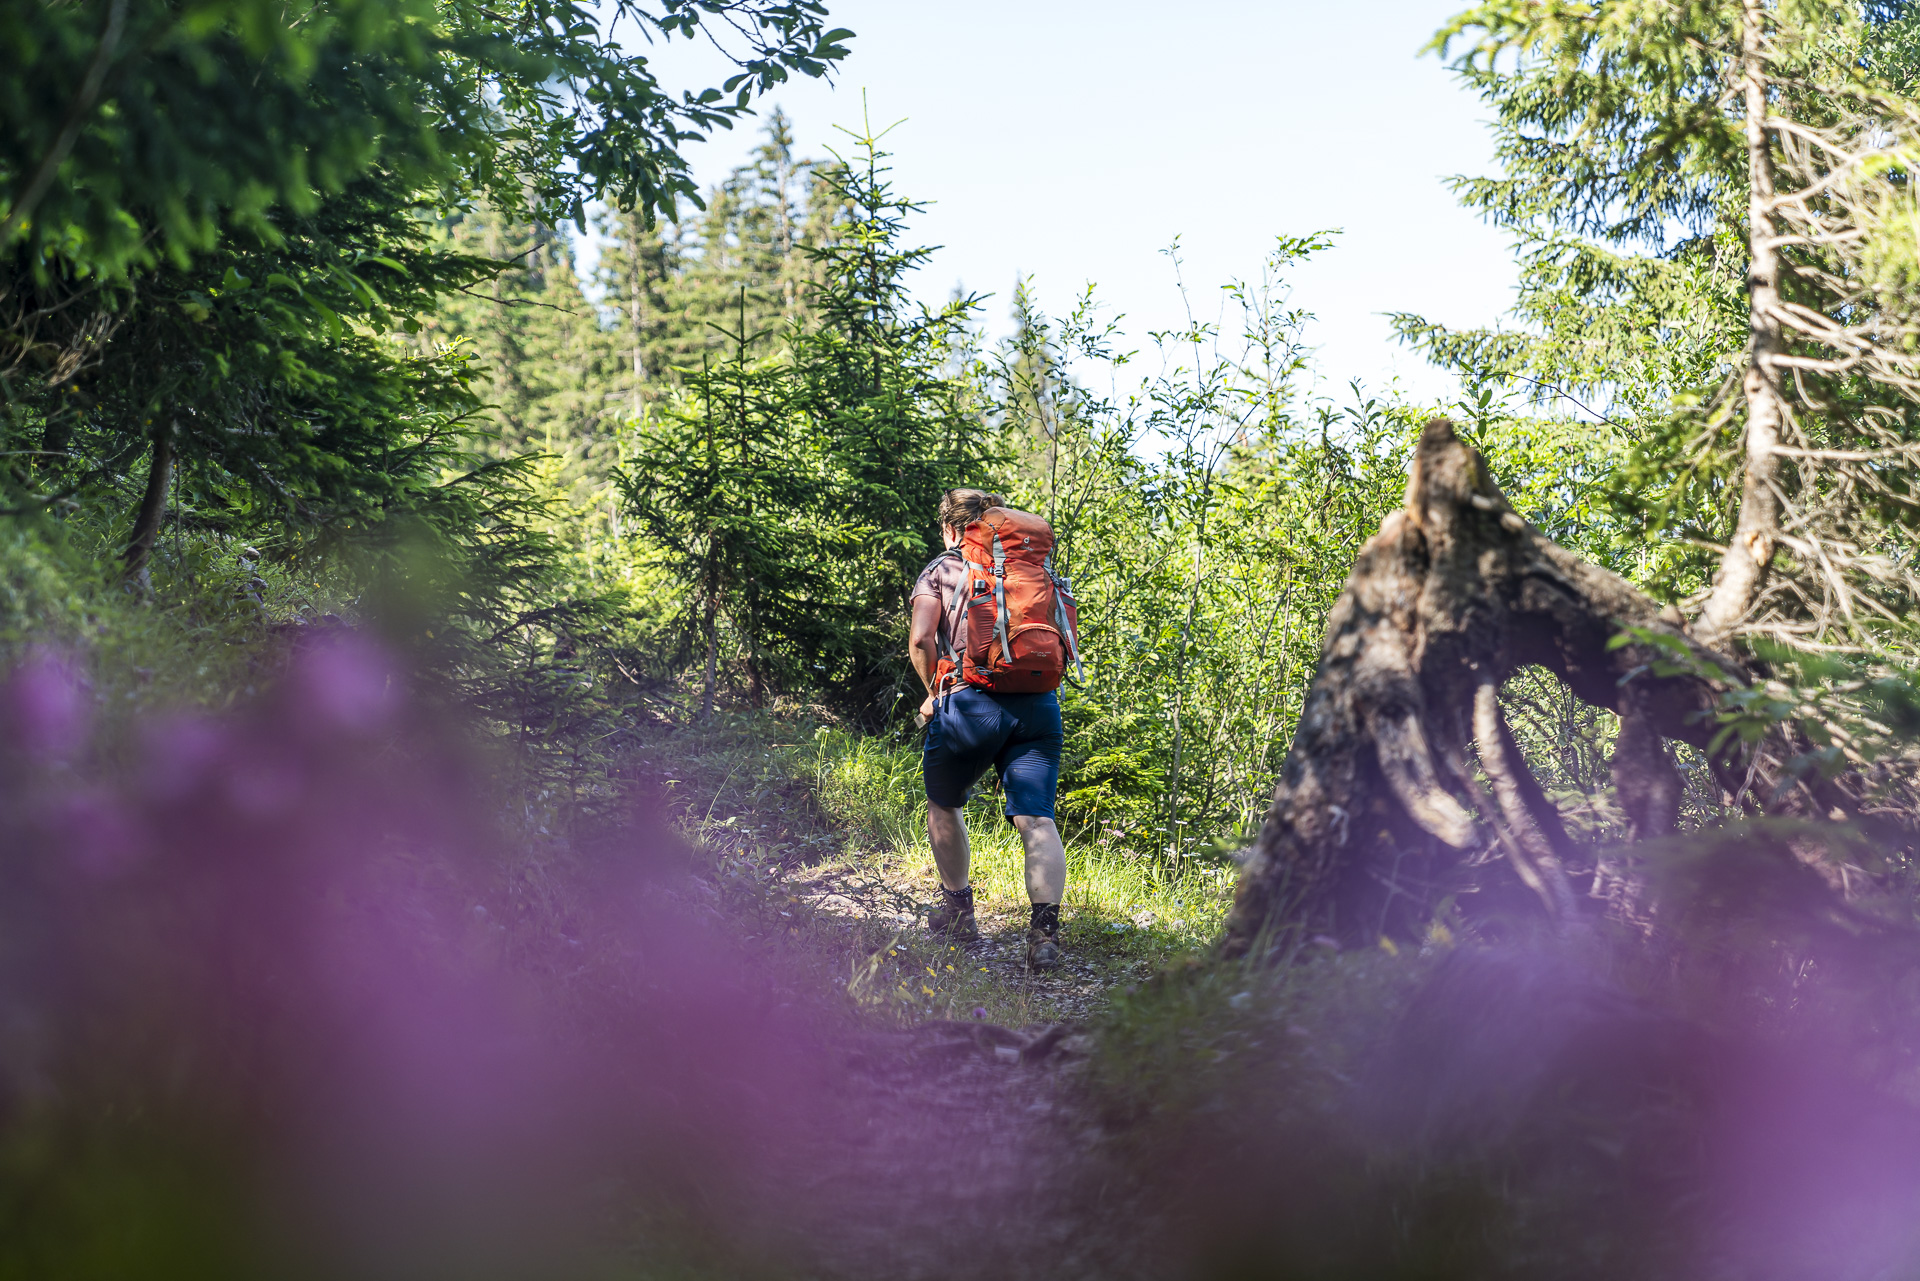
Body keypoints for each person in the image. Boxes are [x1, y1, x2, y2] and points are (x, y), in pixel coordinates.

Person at [908, 488, 1066, 971]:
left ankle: (958, 912)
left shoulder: (941, 570)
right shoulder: (1035, 570)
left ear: (951, 528)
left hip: (970, 704)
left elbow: (920, 639)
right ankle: (1044, 935)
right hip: (1039, 705)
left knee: (944, 801)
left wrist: (934, 692)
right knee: (1036, 818)